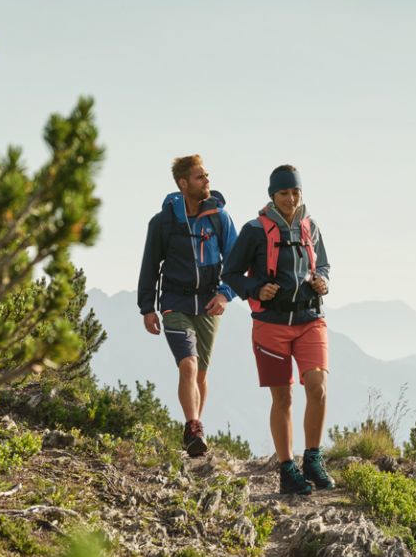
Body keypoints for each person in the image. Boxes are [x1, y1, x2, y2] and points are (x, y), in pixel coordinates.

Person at [222, 164, 334, 495]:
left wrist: (323, 280)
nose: (290, 197)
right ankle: (287, 469)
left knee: (318, 386)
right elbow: (231, 274)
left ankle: (312, 458)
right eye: (283, 192)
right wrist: (256, 289)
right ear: (272, 195)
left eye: (295, 191)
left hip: (310, 319)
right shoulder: (254, 230)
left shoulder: (311, 227)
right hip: (270, 325)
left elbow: (324, 263)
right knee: (282, 396)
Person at [137, 154, 238, 457]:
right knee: (188, 365)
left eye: (207, 176)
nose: (207, 181)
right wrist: (147, 307)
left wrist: (225, 294)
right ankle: (193, 426)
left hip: (209, 302)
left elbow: (235, 260)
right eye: (200, 177)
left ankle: (194, 430)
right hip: (174, 301)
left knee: (201, 374)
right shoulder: (163, 222)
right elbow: (150, 265)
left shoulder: (219, 217)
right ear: (183, 183)